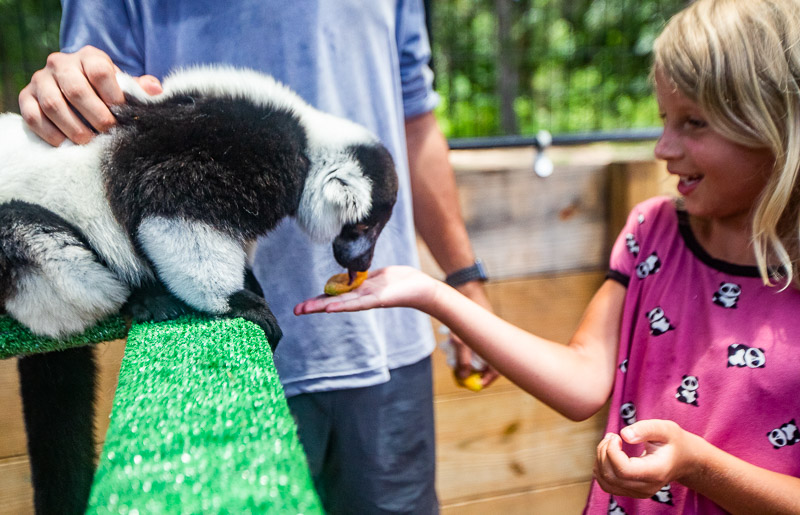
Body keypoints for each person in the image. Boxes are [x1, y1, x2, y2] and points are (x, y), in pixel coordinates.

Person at [296, 0, 800, 512]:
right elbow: (581, 379)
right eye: (664, 119)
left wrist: (697, 465)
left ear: (773, 124)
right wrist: (433, 295)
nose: (663, 148)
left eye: (694, 123)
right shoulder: (654, 232)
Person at [19, 1, 499, 513]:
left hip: (389, 345)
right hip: (212, 349)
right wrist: (63, 90)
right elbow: (94, 102)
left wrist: (464, 279)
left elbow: (414, 115)